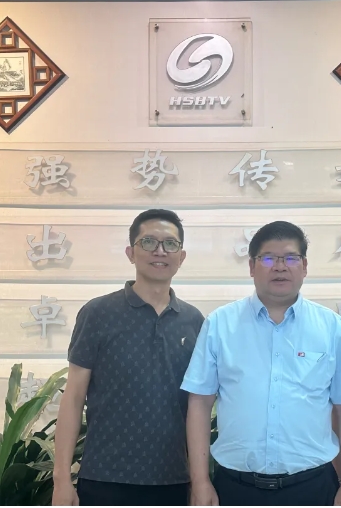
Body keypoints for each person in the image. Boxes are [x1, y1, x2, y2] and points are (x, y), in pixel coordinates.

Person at [181, 221, 341, 506]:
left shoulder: (332, 327)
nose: (280, 267)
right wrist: (200, 481)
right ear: (251, 266)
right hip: (234, 488)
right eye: (268, 258)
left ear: (304, 266)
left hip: (313, 487)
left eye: (291, 258)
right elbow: (199, 404)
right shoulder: (220, 324)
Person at [52, 209, 205, 506]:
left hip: (172, 480)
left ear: (182, 256)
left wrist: (199, 481)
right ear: (130, 253)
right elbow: (73, 398)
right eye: (148, 242)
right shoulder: (97, 314)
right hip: (104, 478)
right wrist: (61, 479)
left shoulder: (194, 321)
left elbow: (197, 406)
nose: (160, 251)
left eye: (170, 244)